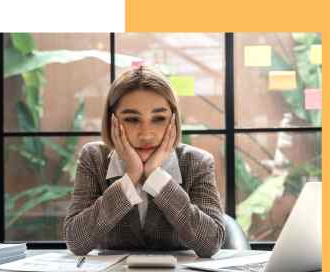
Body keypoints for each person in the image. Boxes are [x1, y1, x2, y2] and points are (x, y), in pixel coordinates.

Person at [63, 65, 225, 258]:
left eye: (158, 119)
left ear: (173, 121)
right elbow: (76, 241)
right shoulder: (94, 158)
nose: (146, 134)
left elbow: (211, 242)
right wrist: (131, 176)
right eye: (132, 119)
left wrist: (157, 178)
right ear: (111, 120)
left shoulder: (197, 162)